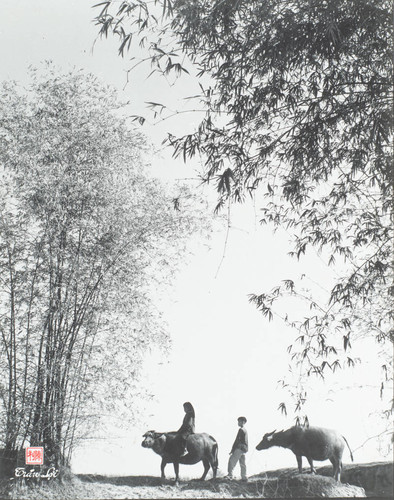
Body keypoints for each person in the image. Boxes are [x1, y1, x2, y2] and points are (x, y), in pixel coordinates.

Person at [225, 416, 248, 481]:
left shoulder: (241, 430)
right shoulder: (245, 430)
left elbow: (237, 440)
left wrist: (232, 450)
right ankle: (244, 477)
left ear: (243, 422)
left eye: (239, 421)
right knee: (242, 463)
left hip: (239, 448)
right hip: (244, 449)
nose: (238, 423)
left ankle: (230, 475)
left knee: (231, 460)